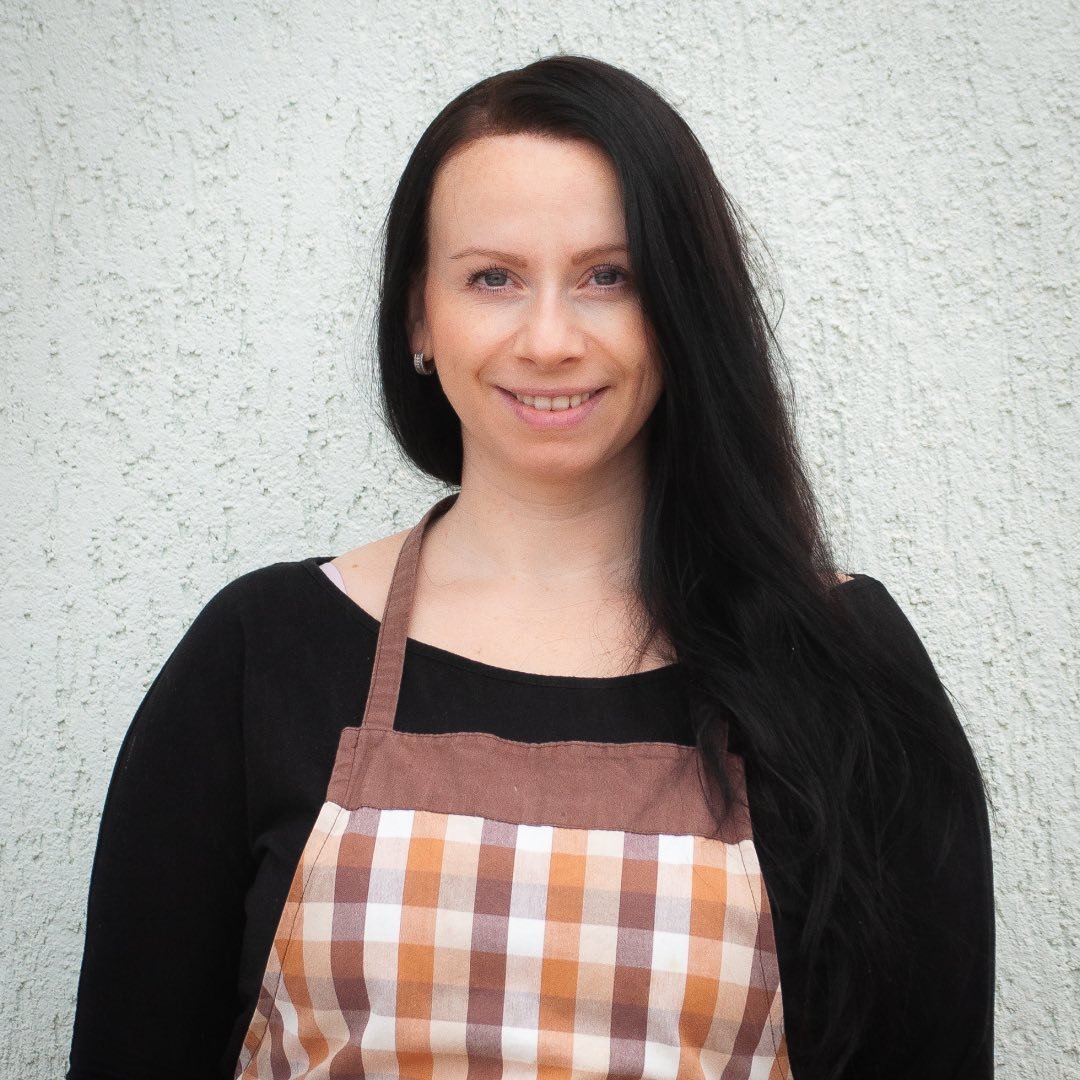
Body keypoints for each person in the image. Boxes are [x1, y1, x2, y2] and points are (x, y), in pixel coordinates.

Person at [68, 55, 993, 1080]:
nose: (549, 339)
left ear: (681, 310)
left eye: (610, 275)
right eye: (491, 277)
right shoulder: (259, 653)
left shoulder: (843, 664)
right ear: (419, 315)